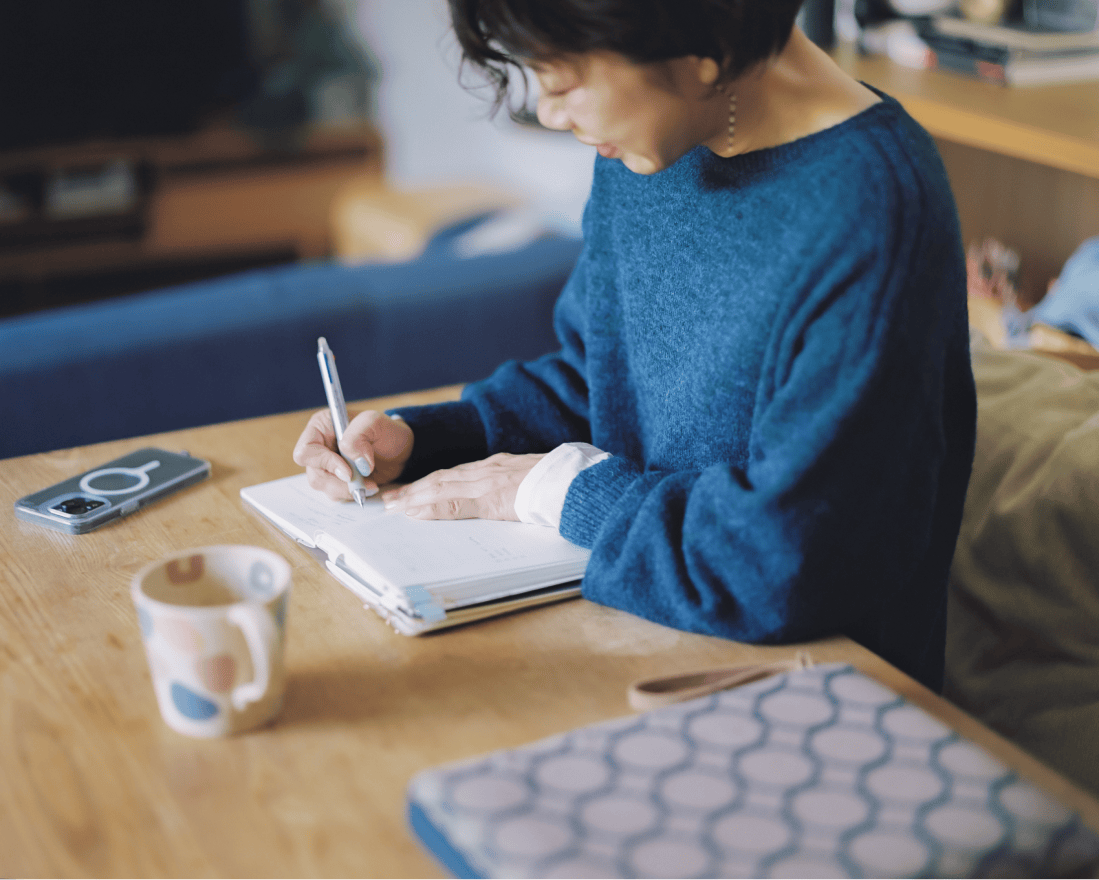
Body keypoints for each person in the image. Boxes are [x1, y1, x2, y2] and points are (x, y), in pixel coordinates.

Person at [293, 0, 977, 691]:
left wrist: (558, 490)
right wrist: (429, 439)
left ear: (697, 41)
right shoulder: (657, 137)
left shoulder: (870, 206)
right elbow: (603, 378)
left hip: (809, 684)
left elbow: (786, 560)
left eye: (565, 81)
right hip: (640, 624)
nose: (550, 114)